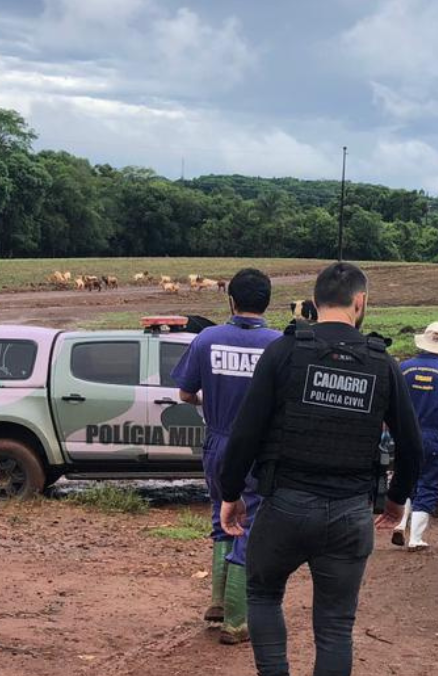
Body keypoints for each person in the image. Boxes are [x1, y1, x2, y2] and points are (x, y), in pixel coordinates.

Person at [218, 261, 422, 676]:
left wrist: (230, 493)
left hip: (285, 506)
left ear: (314, 301)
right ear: (360, 303)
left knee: (263, 595)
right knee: (335, 625)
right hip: (350, 513)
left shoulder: (284, 351)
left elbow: (246, 433)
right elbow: (413, 446)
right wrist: (397, 500)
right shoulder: (383, 363)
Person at [171, 268, 280, 645]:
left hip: (217, 444)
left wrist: (212, 402)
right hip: (258, 451)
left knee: (222, 516)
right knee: (247, 524)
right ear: (267, 302)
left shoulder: (206, 339)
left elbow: (185, 395)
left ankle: (217, 602)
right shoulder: (279, 345)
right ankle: (236, 621)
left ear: (230, 300)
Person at [390, 322, 438, 551]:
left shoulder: (404, 368)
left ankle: (400, 523)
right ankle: (415, 537)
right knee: (429, 483)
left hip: (405, 434)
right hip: (433, 435)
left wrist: (386, 432)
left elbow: (390, 404)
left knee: (406, 479)